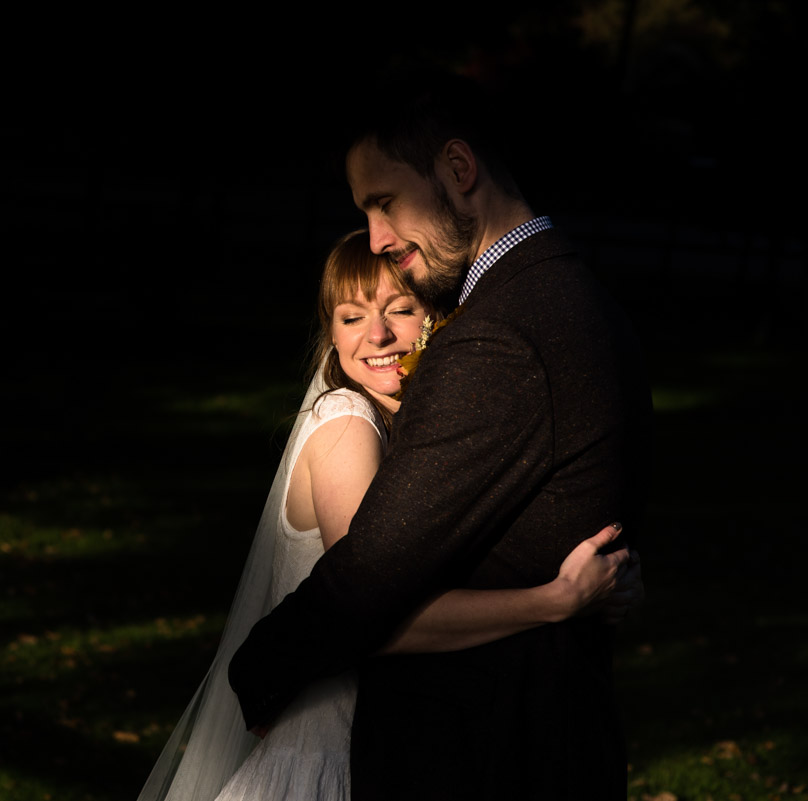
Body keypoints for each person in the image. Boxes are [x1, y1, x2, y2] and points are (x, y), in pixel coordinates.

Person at [228, 70, 654, 800]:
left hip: (482, 751)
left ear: (458, 170)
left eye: (385, 203)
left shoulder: (501, 333)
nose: (377, 238)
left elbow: (376, 568)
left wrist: (260, 667)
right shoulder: (585, 300)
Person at [137, 230, 642, 801]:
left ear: (436, 319)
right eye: (351, 318)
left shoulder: (414, 432)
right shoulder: (346, 422)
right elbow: (367, 613)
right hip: (323, 767)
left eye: (400, 310)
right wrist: (553, 602)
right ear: (330, 333)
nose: (376, 335)